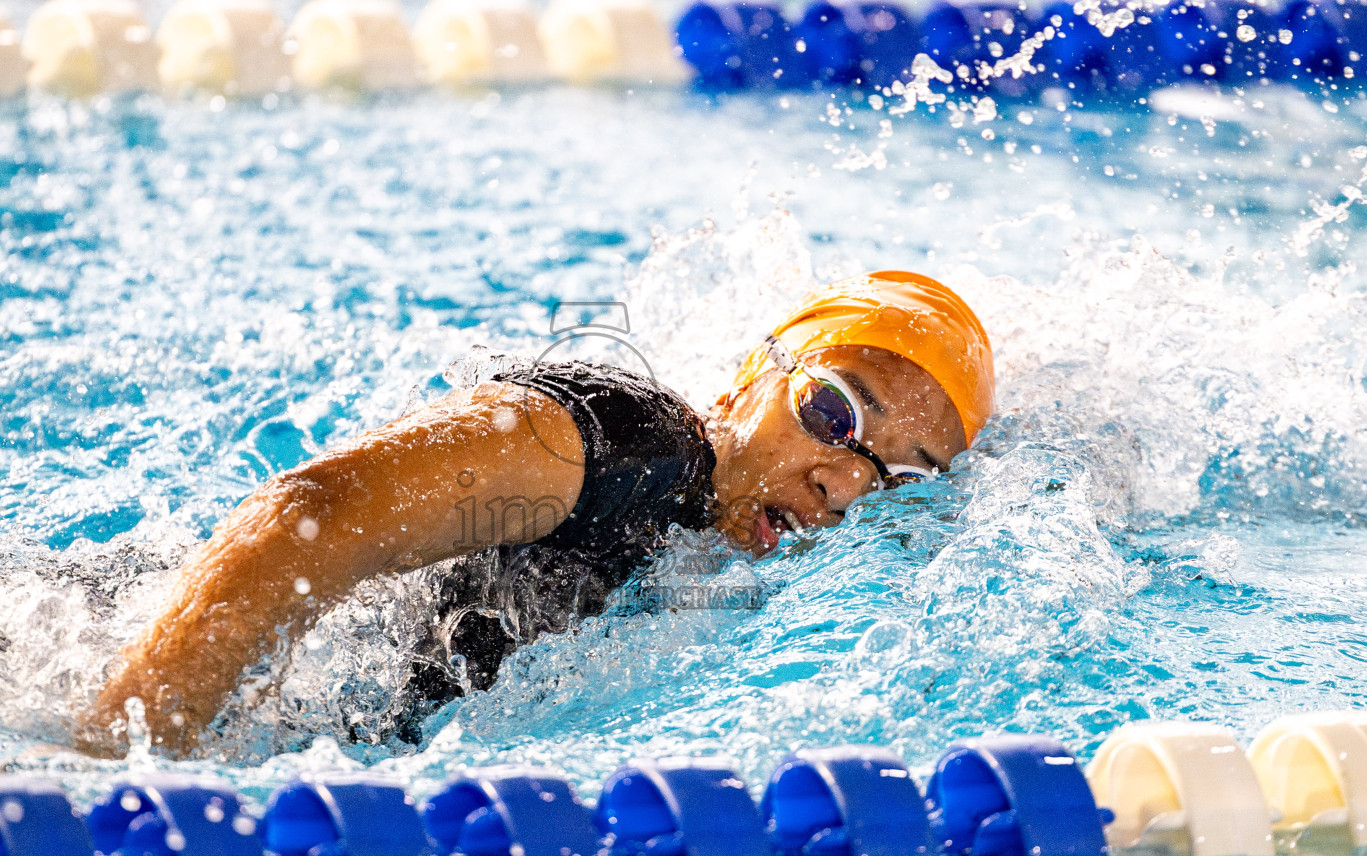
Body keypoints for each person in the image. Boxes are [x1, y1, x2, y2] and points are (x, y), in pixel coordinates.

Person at [79, 271, 994, 756]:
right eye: (835, 413)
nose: (843, 482)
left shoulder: (699, 542)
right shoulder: (637, 443)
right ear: (754, 378)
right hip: (36, 662)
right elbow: (309, 517)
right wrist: (123, 756)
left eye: (898, 477)